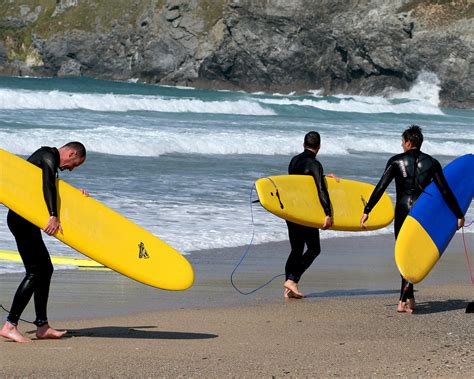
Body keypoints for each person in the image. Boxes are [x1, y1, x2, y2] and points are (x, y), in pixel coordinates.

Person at [360, 125, 465, 313]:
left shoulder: (395, 161)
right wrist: (458, 213)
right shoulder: (431, 163)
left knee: (403, 253)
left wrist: (368, 209)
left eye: (403, 142)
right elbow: (445, 191)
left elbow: (380, 187)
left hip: (402, 210)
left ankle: (404, 299)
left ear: (408, 142)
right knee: (414, 253)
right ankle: (408, 299)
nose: (402, 145)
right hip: (421, 213)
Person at [0, 142, 87, 342]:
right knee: (35, 271)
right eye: (74, 164)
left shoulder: (49, 162)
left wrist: (78, 198)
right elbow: (47, 184)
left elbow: (52, 189)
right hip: (21, 221)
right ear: (71, 152)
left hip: (26, 222)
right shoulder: (47, 156)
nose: (71, 169)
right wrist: (53, 216)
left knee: (45, 269)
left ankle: (42, 325)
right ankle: (10, 325)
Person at [284, 131, 333, 299]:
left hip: (291, 211)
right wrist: (328, 213)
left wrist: (325, 177)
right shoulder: (315, 164)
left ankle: (289, 288)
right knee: (314, 248)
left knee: (296, 249)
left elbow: (302, 182)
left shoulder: (294, 161)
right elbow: (320, 189)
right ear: (319, 147)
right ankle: (292, 280)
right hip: (306, 213)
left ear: (303, 144)